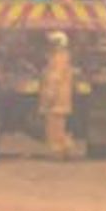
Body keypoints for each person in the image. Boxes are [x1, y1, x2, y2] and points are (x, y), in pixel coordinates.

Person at [40, 30, 75, 158]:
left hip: (57, 99)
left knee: (55, 127)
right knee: (57, 126)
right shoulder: (61, 57)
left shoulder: (59, 58)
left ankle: (60, 150)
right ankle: (63, 149)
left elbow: (55, 77)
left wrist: (49, 94)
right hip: (60, 99)